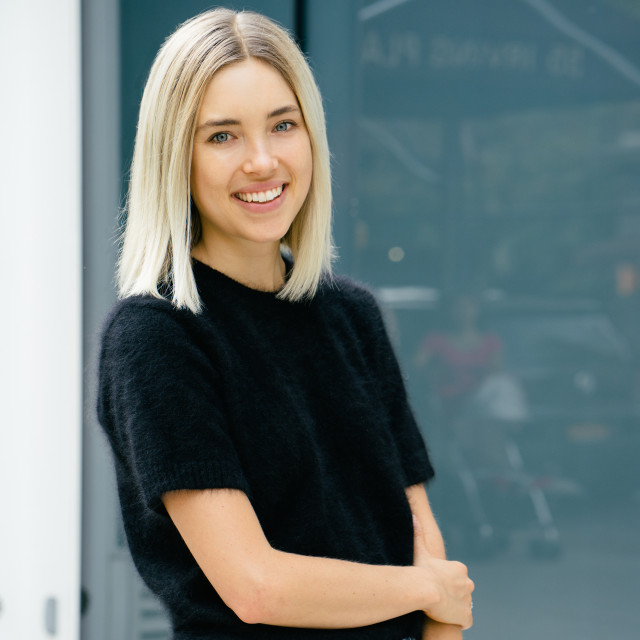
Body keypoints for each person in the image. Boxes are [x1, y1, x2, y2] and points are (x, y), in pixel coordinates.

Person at [97, 8, 474, 640]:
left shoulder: (354, 317)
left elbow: (421, 537)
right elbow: (257, 587)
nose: (263, 160)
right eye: (222, 136)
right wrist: (427, 590)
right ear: (175, 158)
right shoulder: (156, 339)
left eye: (283, 124)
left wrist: (436, 606)